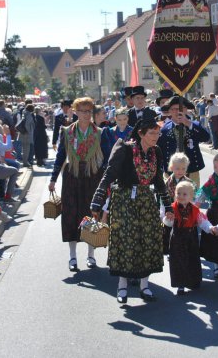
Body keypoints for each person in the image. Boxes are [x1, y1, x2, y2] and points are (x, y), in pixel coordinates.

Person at [91, 117, 174, 303]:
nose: (156, 136)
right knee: (125, 241)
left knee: (148, 239)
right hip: (124, 200)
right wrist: (97, 200)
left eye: (158, 133)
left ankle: (145, 287)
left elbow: (159, 181)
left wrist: (168, 205)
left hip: (146, 200)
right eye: (152, 133)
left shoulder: (156, 152)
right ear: (141, 133)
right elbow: (109, 174)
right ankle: (122, 287)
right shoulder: (124, 148)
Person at [49, 97, 109, 272]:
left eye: (89, 111)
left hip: (92, 175)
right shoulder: (66, 132)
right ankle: (73, 257)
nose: (86, 114)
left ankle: (91, 255)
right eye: (82, 111)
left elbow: (106, 158)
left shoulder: (100, 132)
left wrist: (107, 179)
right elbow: (60, 156)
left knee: (91, 214)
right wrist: (53, 179)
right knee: (71, 214)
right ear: (75, 111)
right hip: (72, 175)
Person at [164, 181, 214, 295]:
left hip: (191, 237)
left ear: (191, 196)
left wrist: (210, 228)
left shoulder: (195, 209)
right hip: (177, 237)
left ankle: (193, 281)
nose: (180, 196)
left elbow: (203, 221)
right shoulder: (172, 208)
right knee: (178, 260)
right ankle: (180, 284)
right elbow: (167, 223)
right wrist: (168, 219)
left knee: (192, 259)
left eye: (184, 194)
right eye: (178, 193)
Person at [158, 96, 210, 187]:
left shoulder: (194, 125)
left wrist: (188, 123)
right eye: (174, 109)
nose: (178, 111)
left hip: (191, 170)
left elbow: (206, 137)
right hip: (171, 171)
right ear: (169, 111)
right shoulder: (163, 129)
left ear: (186, 110)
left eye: (181, 109)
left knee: (192, 198)